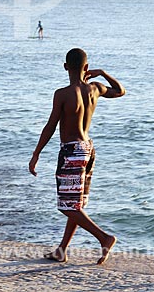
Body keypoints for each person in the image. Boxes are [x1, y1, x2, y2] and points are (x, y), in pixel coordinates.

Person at [29, 48, 125, 265]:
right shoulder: (95, 88)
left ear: (65, 67)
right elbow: (120, 91)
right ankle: (62, 250)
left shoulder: (62, 94)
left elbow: (50, 126)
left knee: (66, 205)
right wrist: (103, 73)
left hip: (72, 150)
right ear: (87, 68)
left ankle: (104, 238)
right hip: (88, 148)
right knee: (76, 203)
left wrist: (36, 154)